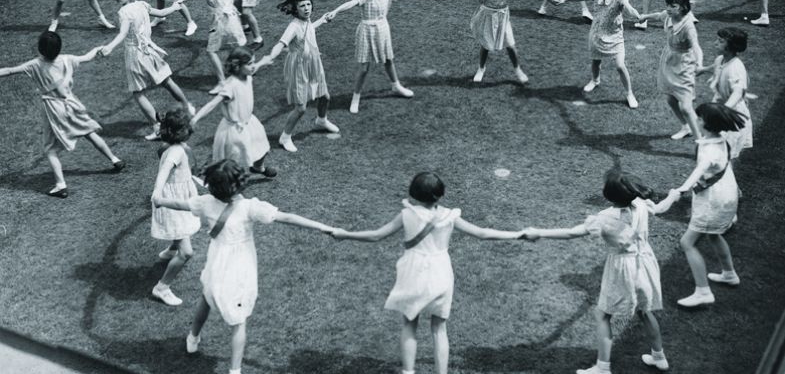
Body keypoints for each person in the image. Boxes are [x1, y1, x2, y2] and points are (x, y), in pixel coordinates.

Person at [330, 171, 527, 374]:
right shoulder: (450, 217)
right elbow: (483, 233)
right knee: (439, 328)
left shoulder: (407, 215)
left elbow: (376, 236)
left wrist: (345, 235)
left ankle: (408, 372)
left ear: (414, 194)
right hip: (441, 273)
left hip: (414, 273)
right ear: (440, 194)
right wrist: (518, 235)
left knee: (409, 323)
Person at [153, 158, 334, 374]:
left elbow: (181, 205)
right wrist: (323, 227)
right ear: (240, 183)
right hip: (239, 269)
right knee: (239, 323)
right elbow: (286, 217)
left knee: (207, 297)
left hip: (216, 261)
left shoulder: (205, 203)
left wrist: (160, 200)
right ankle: (235, 371)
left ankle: (193, 338)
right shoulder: (250, 207)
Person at [523, 170, 679, 374]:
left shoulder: (604, 218)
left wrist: (539, 232)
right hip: (646, 264)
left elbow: (572, 233)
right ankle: (659, 357)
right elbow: (660, 208)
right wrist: (673, 196)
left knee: (603, 315)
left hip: (624, 268)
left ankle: (602, 368)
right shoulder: (641, 204)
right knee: (644, 310)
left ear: (609, 196)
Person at [0, 31, 124, 198]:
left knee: (50, 149)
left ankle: (61, 185)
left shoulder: (35, 64)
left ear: (41, 49)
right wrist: (98, 48)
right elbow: (87, 57)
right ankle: (115, 159)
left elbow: (8, 70)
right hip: (72, 104)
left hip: (53, 108)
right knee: (88, 132)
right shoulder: (68, 59)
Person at [659, 103, 745, 308]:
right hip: (726, 195)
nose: (696, 120)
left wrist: (677, 193)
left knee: (687, 243)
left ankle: (703, 291)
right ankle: (729, 274)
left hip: (713, 201)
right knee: (714, 235)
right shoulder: (719, 140)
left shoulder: (709, 152)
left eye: (699, 118)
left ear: (707, 123)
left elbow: (697, 174)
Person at [436, 0, 561, 84]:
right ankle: (481, 68)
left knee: (511, 45)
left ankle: (518, 69)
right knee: (486, 45)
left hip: (503, 17)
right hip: (487, 15)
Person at [324, 0, 434, 114]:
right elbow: (350, 4)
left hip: (383, 29)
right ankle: (355, 97)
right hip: (366, 30)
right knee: (364, 67)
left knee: (389, 59)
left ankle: (396, 85)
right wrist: (335, 11)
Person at [98, 0, 195, 140]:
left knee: (137, 92)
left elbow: (122, 34)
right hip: (151, 50)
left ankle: (157, 127)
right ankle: (188, 108)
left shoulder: (124, 12)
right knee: (167, 81)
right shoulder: (143, 4)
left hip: (135, 54)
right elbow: (163, 13)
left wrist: (109, 47)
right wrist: (176, 6)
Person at [257, 0, 340, 153]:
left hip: (314, 62)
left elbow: (308, 30)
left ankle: (321, 121)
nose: (307, 8)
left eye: (308, 4)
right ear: (295, 9)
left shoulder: (306, 21)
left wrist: (322, 20)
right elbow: (281, 44)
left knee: (325, 97)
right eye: (302, 6)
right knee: (301, 108)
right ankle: (285, 137)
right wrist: (269, 57)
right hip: (298, 67)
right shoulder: (293, 26)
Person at [561, 0, 644, 108]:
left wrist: (637, 15)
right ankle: (595, 80)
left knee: (619, 65)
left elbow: (629, 8)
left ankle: (629, 93)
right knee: (595, 61)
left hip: (615, 37)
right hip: (597, 33)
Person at [190, 46, 277, 176]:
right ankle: (210, 169)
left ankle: (258, 168)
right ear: (237, 66)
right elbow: (213, 104)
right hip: (234, 129)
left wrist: (263, 62)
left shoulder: (247, 75)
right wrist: (195, 118)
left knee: (262, 145)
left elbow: (254, 69)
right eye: (249, 64)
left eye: (253, 62)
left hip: (250, 122)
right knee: (233, 159)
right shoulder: (230, 86)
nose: (253, 66)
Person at [150, 108, 201, 307]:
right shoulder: (177, 151)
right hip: (173, 201)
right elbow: (164, 171)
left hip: (178, 196)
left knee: (184, 227)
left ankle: (172, 248)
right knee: (187, 253)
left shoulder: (169, 147)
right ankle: (162, 287)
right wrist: (157, 192)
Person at [637, 0, 703, 139]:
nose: (668, 8)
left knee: (686, 107)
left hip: (684, 65)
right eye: (667, 5)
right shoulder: (668, 16)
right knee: (670, 99)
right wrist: (644, 17)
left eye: (673, 6)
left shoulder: (688, 26)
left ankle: (701, 141)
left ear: (683, 7)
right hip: (669, 60)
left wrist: (699, 63)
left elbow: (696, 47)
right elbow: (657, 15)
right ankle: (686, 127)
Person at [177, 0, 247, 85]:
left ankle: (222, 81)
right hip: (234, 18)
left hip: (221, 20)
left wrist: (181, 0)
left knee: (211, 51)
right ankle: (245, 70)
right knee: (238, 46)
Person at [699, 28, 752, 160]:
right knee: (715, 150)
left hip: (731, 116)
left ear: (731, 46)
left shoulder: (736, 68)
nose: (715, 43)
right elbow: (716, 67)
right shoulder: (720, 59)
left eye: (720, 41)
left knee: (725, 155)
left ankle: (724, 178)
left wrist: (723, 111)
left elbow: (738, 92)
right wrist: (701, 70)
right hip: (721, 110)